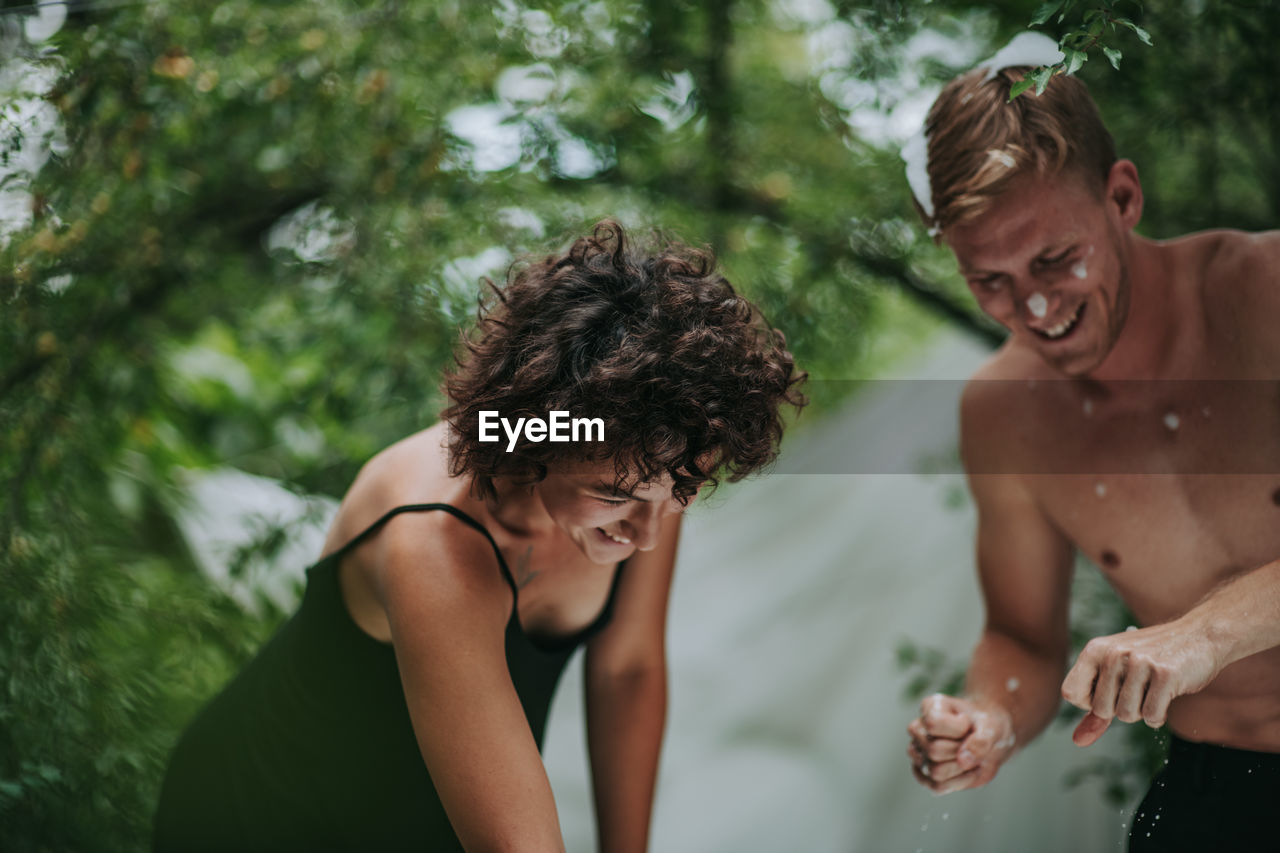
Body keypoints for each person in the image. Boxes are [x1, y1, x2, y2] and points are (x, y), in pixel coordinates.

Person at [153, 221, 805, 852]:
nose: (648, 535)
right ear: (543, 438)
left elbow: (626, 670)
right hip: (262, 816)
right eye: (616, 498)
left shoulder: (649, 459)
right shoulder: (433, 539)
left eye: (679, 495)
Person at [901, 48, 1280, 852]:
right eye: (989, 280)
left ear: (1123, 196)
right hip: (1217, 787)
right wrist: (988, 716)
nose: (1033, 307)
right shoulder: (1005, 417)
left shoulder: (1268, 292)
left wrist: (1203, 632)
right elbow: (1022, 638)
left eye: (1054, 259)